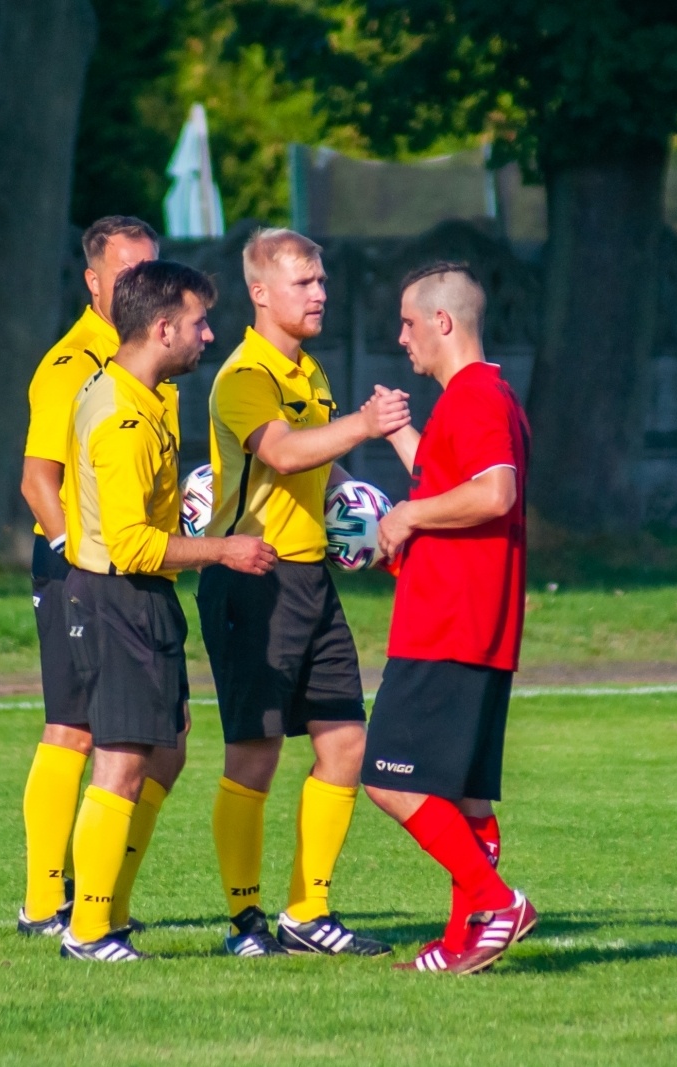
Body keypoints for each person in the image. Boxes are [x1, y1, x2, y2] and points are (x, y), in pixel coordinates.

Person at [198, 229, 408, 958]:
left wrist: (365, 515)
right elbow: (284, 453)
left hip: (310, 576)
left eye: (321, 281)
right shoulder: (243, 376)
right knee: (253, 754)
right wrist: (365, 425)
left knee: (346, 742)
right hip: (251, 580)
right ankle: (244, 922)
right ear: (260, 293)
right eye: (303, 283)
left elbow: (317, 466)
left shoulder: (308, 370)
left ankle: (307, 914)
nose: (320, 294)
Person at [59, 260, 277, 961]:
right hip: (117, 596)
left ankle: (110, 911)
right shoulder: (122, 416)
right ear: (161, 328)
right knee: (121, 762)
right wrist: (223, 549)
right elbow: (129, 545)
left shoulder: (151, 394)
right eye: (199, 323)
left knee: (168, 750)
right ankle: (89, 929)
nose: (209, 334)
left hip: (142, 599)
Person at [362, 261, 535, 975]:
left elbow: (494, 493)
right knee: (464, 797)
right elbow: (450, 483)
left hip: (447, 624)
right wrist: (399, 436)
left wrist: (406, 515)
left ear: (442, 321)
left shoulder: (476, 398)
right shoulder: (478, 398)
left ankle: (496, 904)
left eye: (408, 323)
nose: (401, 337)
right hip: (472, 623)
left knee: (389, 778)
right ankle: (466, 939)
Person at [17, 216, 164, 937]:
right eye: (126, 274)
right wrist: (77, 556)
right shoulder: (72, 364)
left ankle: (97, 894)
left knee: (161, 739)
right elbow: (36, 480)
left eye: (149, 272)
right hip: (80, 569)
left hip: (124, 567)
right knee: (74, 730)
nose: (139, 285)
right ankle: (47, 902)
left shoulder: (146, 356)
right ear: (93, 281)